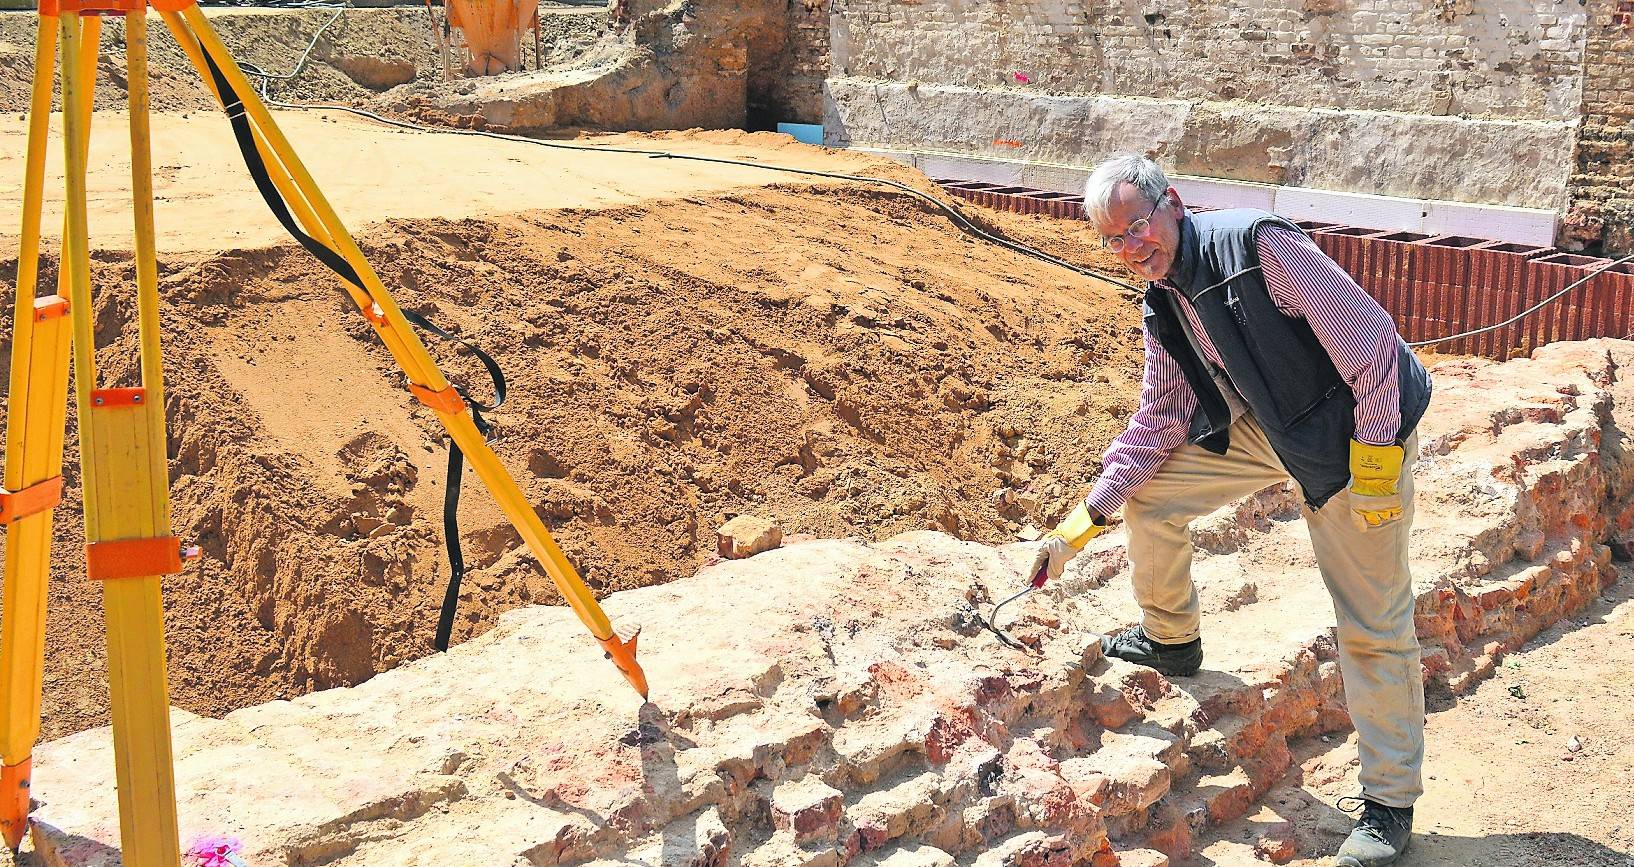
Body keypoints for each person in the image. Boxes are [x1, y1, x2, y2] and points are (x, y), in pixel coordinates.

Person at [1027, 154, 1432, 867]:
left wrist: (1373, 471)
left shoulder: (1259, 247)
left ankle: (1390, 806)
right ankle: (1171, 637)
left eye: (1137, 226)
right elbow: (1159, 420)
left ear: (1172, 203)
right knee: (1151, 494)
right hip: (1278, 427)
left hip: (1358, 428)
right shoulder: (1164, 302)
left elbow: (1371, 347)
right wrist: (1079, 524)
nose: (1130, 247)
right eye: (1112, 240)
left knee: (1372, 623)